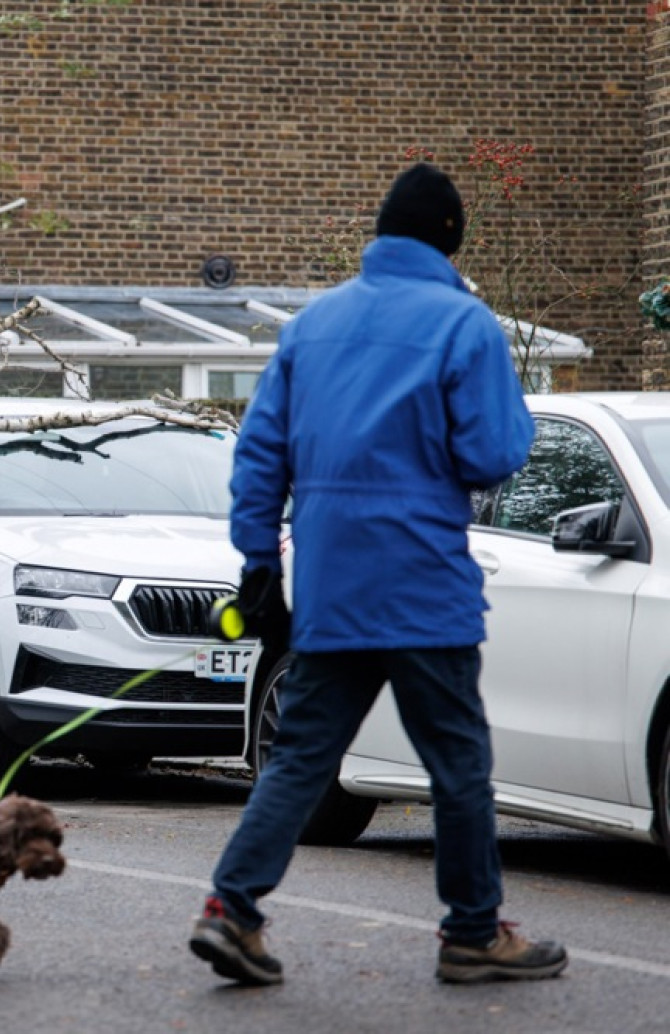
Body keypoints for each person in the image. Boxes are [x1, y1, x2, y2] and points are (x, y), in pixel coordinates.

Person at [188, 163, 568, 986]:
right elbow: (494, 452)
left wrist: (258, 563)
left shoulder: (311, 327)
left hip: (331, 591)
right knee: (458, 768)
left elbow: (258, 456)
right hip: (425, 588)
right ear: (448, 240)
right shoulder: (465, 326)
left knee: (300, 758)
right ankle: (473, 931)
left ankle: (232, 909)